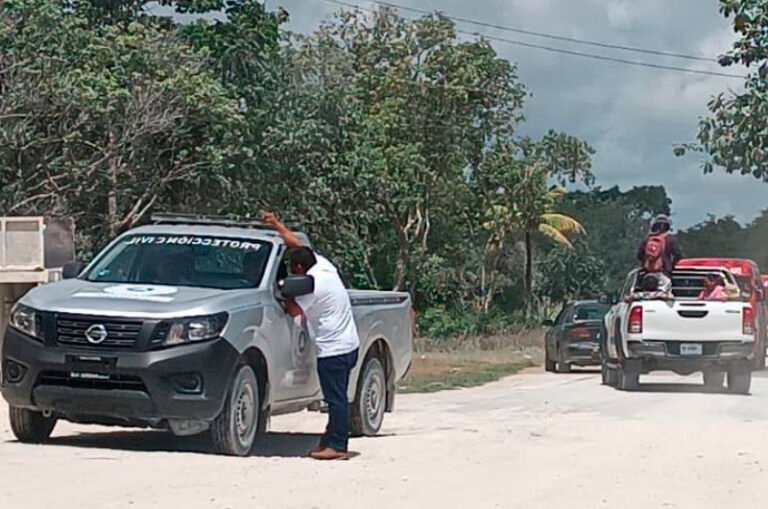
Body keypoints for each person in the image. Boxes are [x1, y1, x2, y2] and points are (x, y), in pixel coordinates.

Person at [261, 211, 360, 461]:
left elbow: (293, 310)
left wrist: (283, 292)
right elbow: (298, 244)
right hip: (348, 345)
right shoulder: (324, 266)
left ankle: (338, 446)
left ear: (298, 269)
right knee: (337, 397)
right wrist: (276, 224)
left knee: (335, 400)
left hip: (333, 350)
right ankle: (329, 440)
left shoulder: (312, 285)